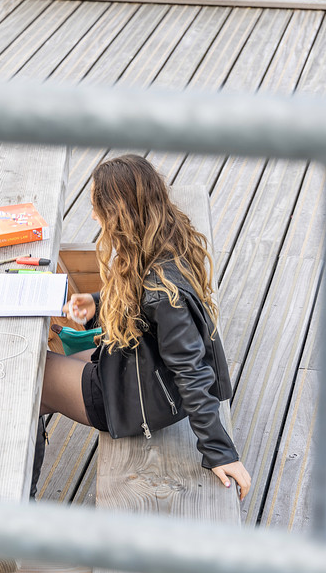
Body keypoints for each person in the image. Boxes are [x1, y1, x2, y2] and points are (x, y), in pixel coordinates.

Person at [35, 154, 251, 500]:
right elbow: (137, 299)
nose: (92, 215)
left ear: (118, 214)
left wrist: (221, 451)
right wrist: (97, 302)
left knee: (37, 376)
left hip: (139, 399)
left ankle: (22, 503)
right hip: (143, 373)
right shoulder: (164, 239)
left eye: (96, 207)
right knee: (55, 362)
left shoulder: (164, 295)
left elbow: (191, 371)